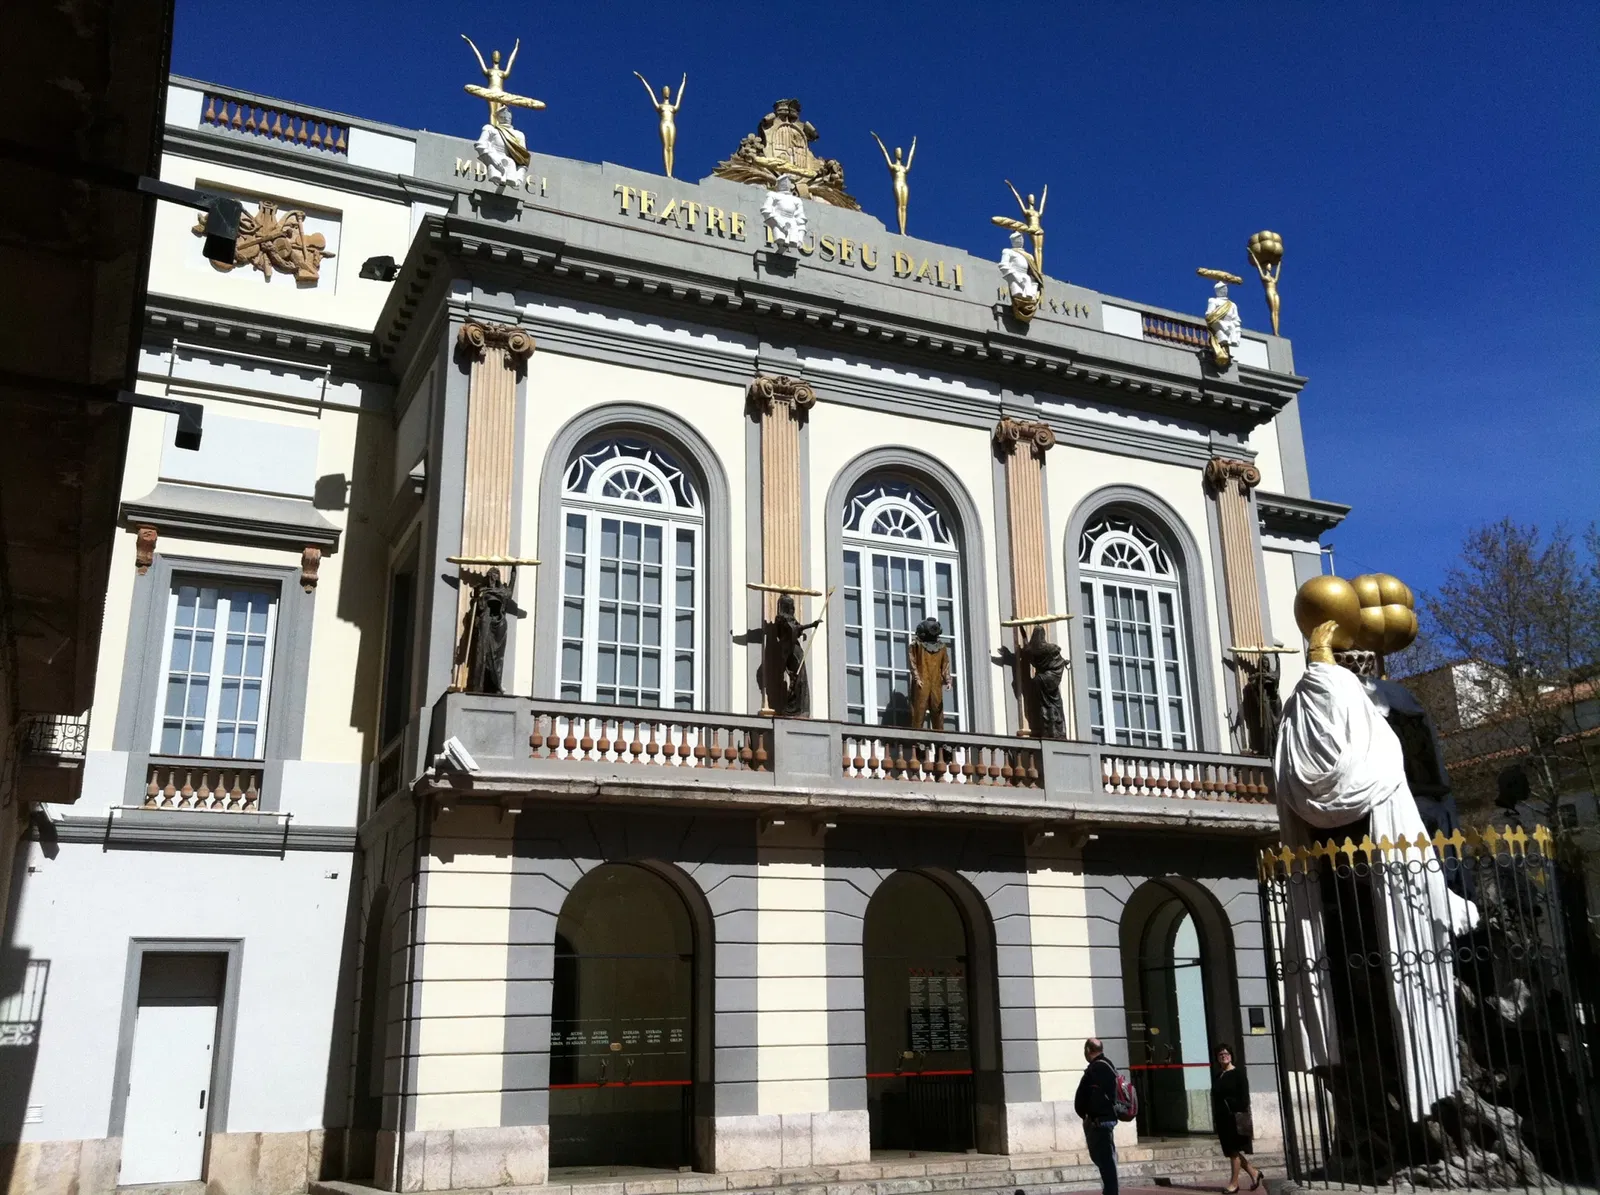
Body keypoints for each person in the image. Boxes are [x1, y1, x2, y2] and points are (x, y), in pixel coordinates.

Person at [1211, 1043, 1261, 1192]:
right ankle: (1254, 1172)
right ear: (1217, 1058)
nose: (1224, 1056)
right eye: (1221, 1055)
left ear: (1231, 1056)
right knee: (1231, 1152)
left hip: (1234, 1118)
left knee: (1233, 1152)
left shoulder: (1238, 1074)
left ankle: (1234, 1183)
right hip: (1222, 1119)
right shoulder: (1218, 1075)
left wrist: (1231, 1105)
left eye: (1226, 1054)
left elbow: (1244, 1099)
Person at [1074, 1037, 1120, 1195]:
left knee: (1105, 1159)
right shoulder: (1107, 1065)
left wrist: (1089, 1115)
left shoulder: (1096, 1068)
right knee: (1105, 1158)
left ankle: (1111, 1191)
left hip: (1099, 1121)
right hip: (1104, 1119)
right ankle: (1110, 1190)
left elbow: (1093, 1095)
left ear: (1088, 1050)